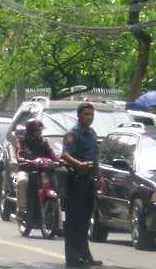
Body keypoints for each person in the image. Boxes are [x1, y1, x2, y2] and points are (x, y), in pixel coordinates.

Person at [61, 102, 104, 267]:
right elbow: (64, 154)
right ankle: (73, 256)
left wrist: (99, 178)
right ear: (79, 116)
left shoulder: (92, 133)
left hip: (89, 182)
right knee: (74, 220)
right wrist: (78, 164)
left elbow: (95, 159)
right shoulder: (73, 134)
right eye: (86, 114)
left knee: (85, 220)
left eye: (91, 114)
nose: (89, 117)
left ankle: (85, 254)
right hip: (75, 181)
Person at [15, 119, 61, 219]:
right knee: (22, 181)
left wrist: (59, 161)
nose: (39, 133)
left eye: (40, 131)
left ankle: (59, 221)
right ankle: (21, 210)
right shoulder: (22, 141)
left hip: (43, 170)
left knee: (57, 187)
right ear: (31, 131)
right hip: (27, 169)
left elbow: (52, 154)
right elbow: (19, 153)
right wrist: (24, 160)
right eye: (37, 131)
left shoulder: (43, 142)